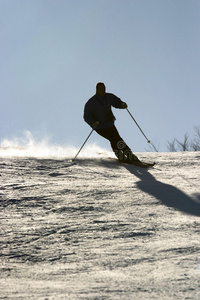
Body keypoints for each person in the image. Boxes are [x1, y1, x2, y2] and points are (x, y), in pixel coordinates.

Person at [84, 82, 142, 164]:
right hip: (100, 127)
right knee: (113, 138)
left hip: (110, 124)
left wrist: (122, 104)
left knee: (117, 138)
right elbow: (87, 115)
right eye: (101, 89)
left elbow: (116, 102)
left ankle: (129, 155)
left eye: (104, 88)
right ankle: (122, 156)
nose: (103, 90)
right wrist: (92, 123)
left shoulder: (108, 97)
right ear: (97, 90)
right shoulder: (92, 102)